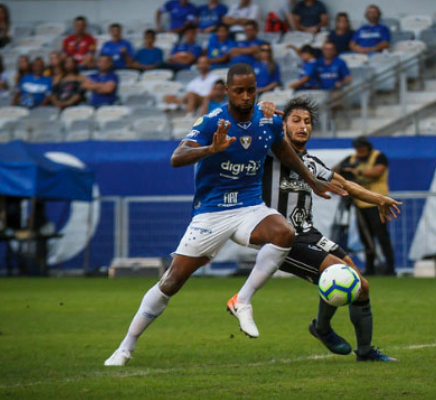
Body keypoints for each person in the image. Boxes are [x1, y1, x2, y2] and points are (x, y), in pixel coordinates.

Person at [103, 63, 345, 366]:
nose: (246, 96)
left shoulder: (266, 120)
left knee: (284, 232)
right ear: (227, 91)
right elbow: (177, 157)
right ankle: (126, 346)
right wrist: (210, 150)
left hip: (249, 207)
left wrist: (312, 181)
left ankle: (241, 300)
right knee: (172, 282)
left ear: (257, 90)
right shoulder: (212, 121)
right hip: (212, 212)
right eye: (239, 91)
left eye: (251, 90)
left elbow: (285, 153)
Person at [263, 96, 400, 361]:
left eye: (307, 121)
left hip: (308, 232)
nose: (303, 126)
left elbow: (348, 185)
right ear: (283, 124)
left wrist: (379, 198)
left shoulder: (312, 163)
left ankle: (358, 347)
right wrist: (262, 112)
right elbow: (248, 128)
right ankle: (325, 329)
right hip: (281, 238)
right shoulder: (269, 151)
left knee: (362, 285)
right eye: (296, 120)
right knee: (340, 274)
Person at [335, 137, 395, 276]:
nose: (360, 153)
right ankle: (370, 267)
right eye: (358, 150)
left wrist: (358, 172)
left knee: (381, 236)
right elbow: (335, 170)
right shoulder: (352, 158)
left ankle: (390, 267)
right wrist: (342, 170)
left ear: (368, 148)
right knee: (365, 237)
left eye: (362, 150)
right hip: (360, 203)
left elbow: (377, 172)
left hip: (376, 202)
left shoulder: (378, 156)